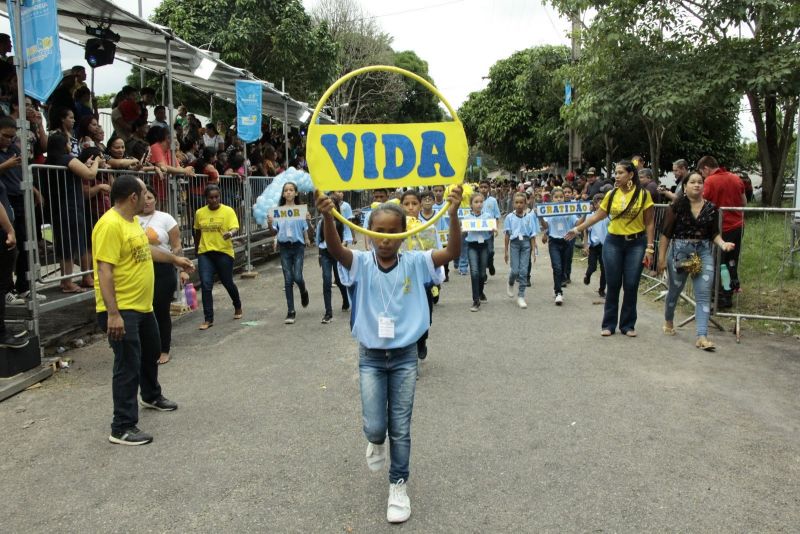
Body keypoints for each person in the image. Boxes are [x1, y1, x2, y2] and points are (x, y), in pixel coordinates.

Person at [316, 186, 463, 524]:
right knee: (375, 425)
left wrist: (452, 213)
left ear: (404, 233)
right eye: (377, 232)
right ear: (368, 234)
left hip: (405, 357)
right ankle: (374, 440)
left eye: (392, 233)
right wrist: (328, 217)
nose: (384, 239)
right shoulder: (362, 262)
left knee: (401, 426)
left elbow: (452, 251)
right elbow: (337, 250)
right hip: (370, 356)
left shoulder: (416, 261)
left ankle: (398, 485)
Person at [93, 175, 194, 445]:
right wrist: (113, 313)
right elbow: (104, 269)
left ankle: (150, 395)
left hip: (142, 306)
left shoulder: (132, 223)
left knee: (151, 350)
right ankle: (122, 426)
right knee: (127, 364)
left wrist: (175, 259)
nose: (148, 197)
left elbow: (146, 250)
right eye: (143, 192)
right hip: (122, 309)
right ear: (133, 197)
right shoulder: (110, 225)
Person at [566, 160, 655, 336]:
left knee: (631, 284)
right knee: (613, 283)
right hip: (613, 242)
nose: (617, 175)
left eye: (621, 172)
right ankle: (608, 325)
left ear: (631, 174)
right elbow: (597, 216)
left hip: (636, 244)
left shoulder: (644, 195)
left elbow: (650, 223)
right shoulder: (611, 195)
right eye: (616, 172)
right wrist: (577, 229)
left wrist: (650, 248)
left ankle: (628, 325)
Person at [657, 172, 736, 351]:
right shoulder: (675, 207)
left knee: (703, 295)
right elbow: (665, 235)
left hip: (703, 252)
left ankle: (702, 336)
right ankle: (669, 320)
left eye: (700, 182)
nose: (697, 185)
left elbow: (714, 233)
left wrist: (723, 244)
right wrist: (661, 259)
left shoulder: (711, 208)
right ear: (685, 187)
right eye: (692, 182)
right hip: (679, 254)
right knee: (675, 291)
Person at [43, 132, 99, 293]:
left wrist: (86, 163)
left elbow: (80, 169)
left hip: (60, 208)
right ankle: (67, 282)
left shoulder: (51, 161)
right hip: (70, 207)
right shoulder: (65, 159)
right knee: (70, 244)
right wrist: (97, 162)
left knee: (70, 243)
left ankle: (76, 278)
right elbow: (90, 174)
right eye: (68, 142)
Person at [139, 186, 183, 364]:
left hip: (163, 269)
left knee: (160, 309)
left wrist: (180, 268)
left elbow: (176, 246)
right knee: (142, 310)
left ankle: (164, 349)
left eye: (150, 197)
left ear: (156, 199)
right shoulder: (130, 220)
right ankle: (146, 347)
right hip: (139, 270)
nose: (147, 201)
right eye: (145, 197)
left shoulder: (166, 218)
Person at [698, 155, 745, 309]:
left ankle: (721, 297)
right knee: (731, 261)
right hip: (737, 226)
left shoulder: (710, 181)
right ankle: (729, 292)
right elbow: (744, 202)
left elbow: (702, 203)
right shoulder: (736, 178)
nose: (702, 176)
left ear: (706, 168)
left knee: (719, 264)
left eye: (702, 173)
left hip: (721, 228)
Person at [194, 184, 242, 330]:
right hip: (205, 253)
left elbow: (235, 227)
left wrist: (231, 234)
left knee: (227, 282)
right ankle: (208, 319)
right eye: (211, 198)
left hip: (224, 252)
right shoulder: (200, 213)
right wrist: (197, 250)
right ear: (206, 198)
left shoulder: (228, 211)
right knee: (206, 285)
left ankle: (237, 305)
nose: (214, 200)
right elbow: (197, 232)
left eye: (216, 197)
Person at [267, 182, 310, 324]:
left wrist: (307, 236)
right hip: (284, 247)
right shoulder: (279, 211)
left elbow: (305, 228)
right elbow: (273, 230)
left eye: (291, 190)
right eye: (286, 190)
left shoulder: (300, 211)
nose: (289, 192)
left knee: (297, 276)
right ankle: (291, 311)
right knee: (288, 280)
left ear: (296, 193)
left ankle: (303, 290)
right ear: (283, 194)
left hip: (298, 246)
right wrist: (270, 222)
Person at [540, 187, 578, 305]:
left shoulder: (569, 210)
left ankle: (558, 285)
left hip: (567, 242)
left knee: (564, 268)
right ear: (552, 198)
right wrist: (540, 216)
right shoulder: (550, 210)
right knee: (557, 267)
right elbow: (546, 225)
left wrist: (586, 215)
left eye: (561, 197)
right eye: (556, 197)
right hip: (554, 242)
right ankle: (558, 293)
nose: (559, 199)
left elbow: (578, 223)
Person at [316, 196, 350, 324]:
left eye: (331, 205)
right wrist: (319, 254)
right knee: (326, 280)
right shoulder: (321, 222)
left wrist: (344, 244)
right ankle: (328, 312)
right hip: (325, 253)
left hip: (337, 253)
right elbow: (318, 239)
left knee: (340, 279)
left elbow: (346, 234)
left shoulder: (341, 222)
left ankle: (346, 300)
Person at [503, 192, 538, 309]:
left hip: (526, 244)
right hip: (514, 244)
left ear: (525, 203)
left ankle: (521, 295)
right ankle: (510, 282)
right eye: (516, 202)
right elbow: (507, 235)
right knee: (515, 270)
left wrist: (534, 250)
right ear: (513, 203)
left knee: (523, 271)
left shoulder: (529, 217)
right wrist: (506, 251)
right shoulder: (509, 217)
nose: (519, 205)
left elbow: (532, 234)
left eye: (521, 202)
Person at [464, 192, 493, 312]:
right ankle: (476, 300)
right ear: (471, 204)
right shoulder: (467, 218)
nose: (479, 204)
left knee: (482, 274)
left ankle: (480, 292)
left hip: (484, 245)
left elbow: (491, 232)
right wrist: (462, 229)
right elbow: (464, 233)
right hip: (472, 246)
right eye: (476, 202)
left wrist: (492, 230)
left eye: (481, 202)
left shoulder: (487, 216)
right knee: (474, 272)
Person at [582, 193, 609, 297]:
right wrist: (585, 245)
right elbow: (586, 231)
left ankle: (602, 289)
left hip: (604, 245)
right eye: (598, 203)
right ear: (594, 204)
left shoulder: (608, 215)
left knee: (604, 269)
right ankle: (587, 275)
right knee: (592, 266)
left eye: (603, 202)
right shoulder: (590, 215)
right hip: (593, 245)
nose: (601, 205)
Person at [478, 180, 501, 276]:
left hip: (489, 231)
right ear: (479, 188)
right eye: (481, 187)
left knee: (490, 251)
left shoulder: (493, 200)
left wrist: (496, 228)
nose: (483, 189)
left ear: (489, 188)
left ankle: (490, 264)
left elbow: (496, 216)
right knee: (480, 252)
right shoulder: (476, 200)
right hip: (478, 231)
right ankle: (483, 275)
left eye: (485, 187)